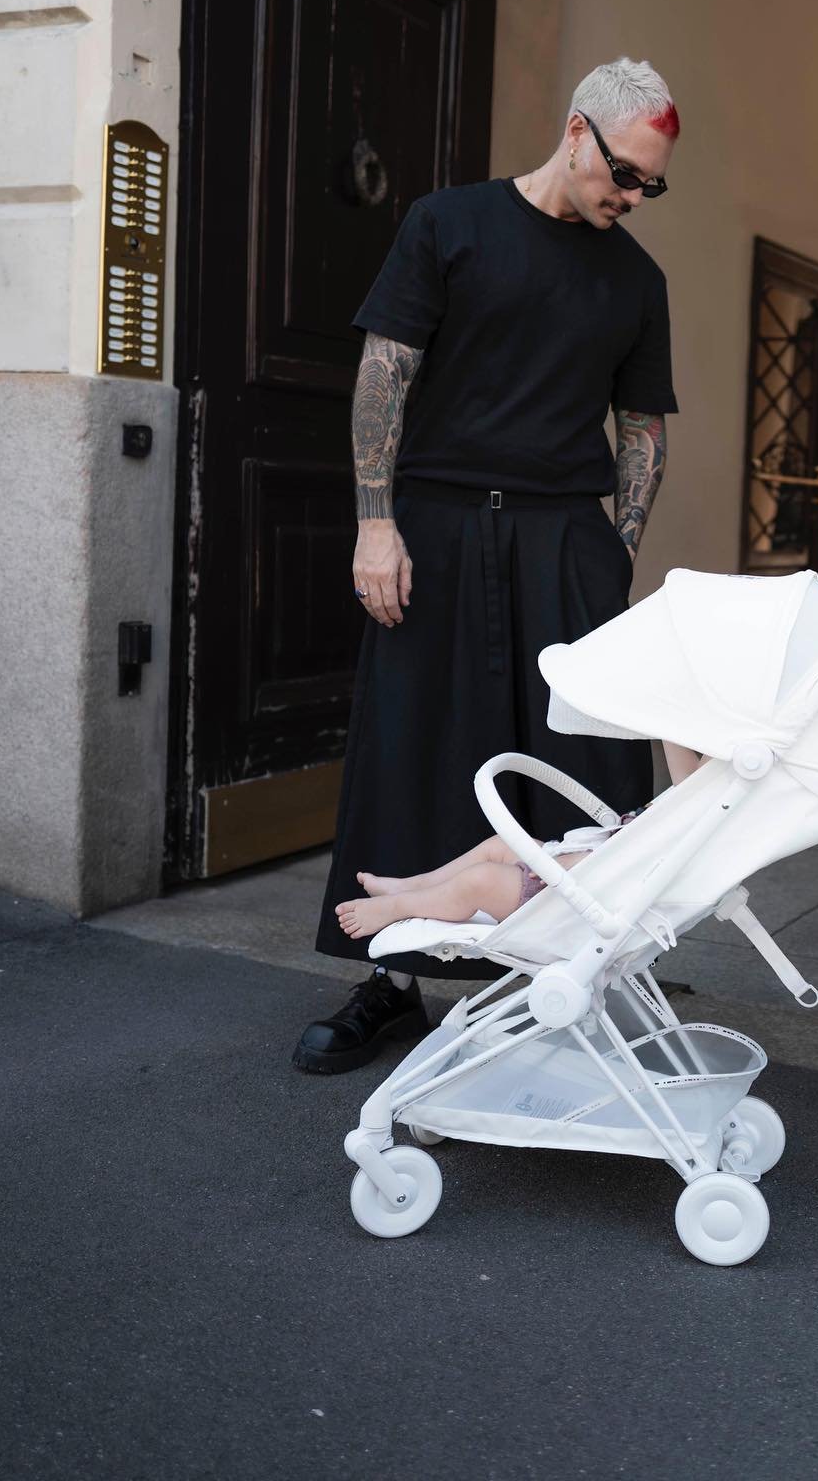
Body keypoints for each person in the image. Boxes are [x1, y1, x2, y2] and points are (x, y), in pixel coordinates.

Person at [292, 58, 681, 1075]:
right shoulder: (447, 224)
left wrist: (616, 559)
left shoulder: (638, 279)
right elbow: (386, 374)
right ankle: (388, 978)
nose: (633, 197)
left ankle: (569, 980)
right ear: (576, 131)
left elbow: (640, 428)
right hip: (439, 524)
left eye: (652, 185)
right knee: (412, 745)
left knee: (580, 766)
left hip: (564, 539)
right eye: (626, 174)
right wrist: (377, 525)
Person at [334, 743, 704, 941]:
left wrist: (561, 866)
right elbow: (689, 781)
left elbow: (632, 862)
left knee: (478, 881)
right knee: (498, 846)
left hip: (577, 898)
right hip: (580, 871)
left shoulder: (699, 810)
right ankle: (413, 885)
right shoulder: (707, 794)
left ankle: (400, 907)